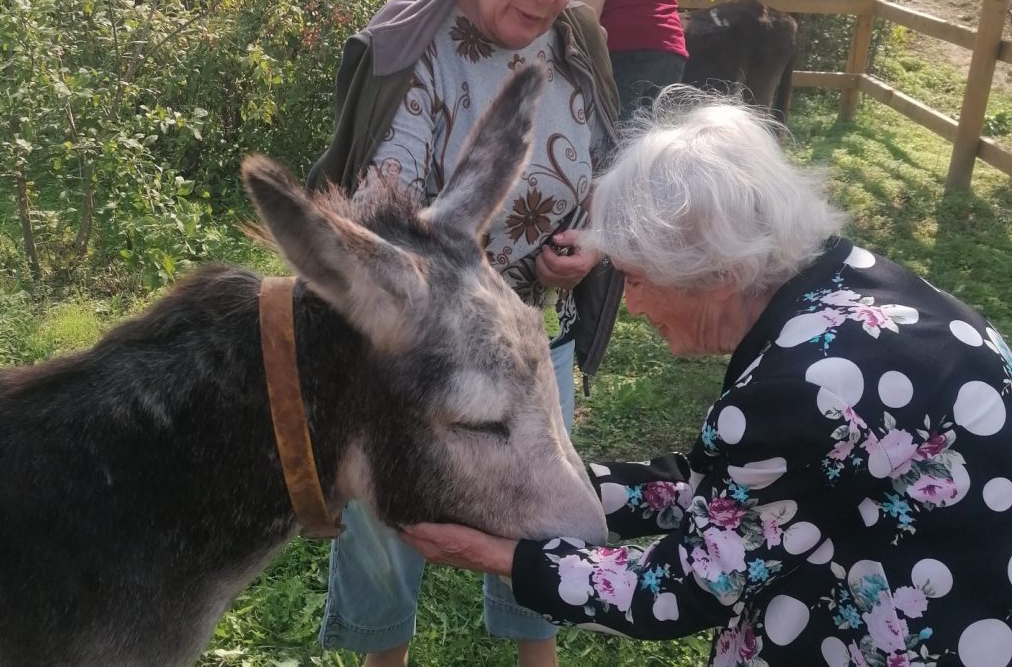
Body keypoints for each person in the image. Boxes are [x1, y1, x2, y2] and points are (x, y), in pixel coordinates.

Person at [400, 89, 1012, 666]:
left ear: (714, 275)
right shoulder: (851, 282)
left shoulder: (802, 392)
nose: (632, 306)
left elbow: (675, 590)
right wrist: (549, 481)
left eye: (635, 280)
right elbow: (730, 493)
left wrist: (498, 555)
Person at [305, 0, 621, 665]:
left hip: (535, 341)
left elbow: (601, 165)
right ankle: (382, 654)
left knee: (545, 513)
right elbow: (374, 221)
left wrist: (592, 244)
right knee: (386, 537)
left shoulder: (578, 40)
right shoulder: (410, 46)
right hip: (406, 363)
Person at [584, 0, 688, 119]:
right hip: (669, 43)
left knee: (621, 129)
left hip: (625, 45)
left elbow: (588, 15)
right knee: (655, 130)